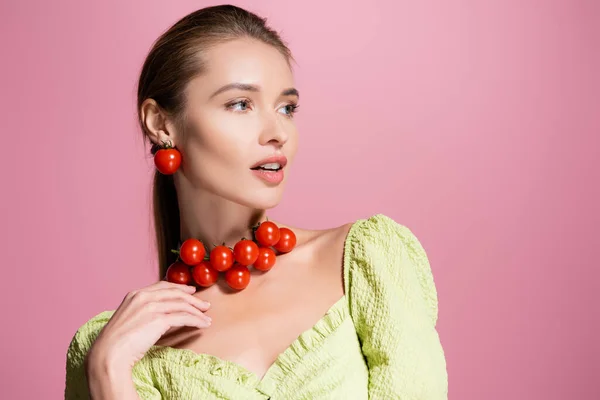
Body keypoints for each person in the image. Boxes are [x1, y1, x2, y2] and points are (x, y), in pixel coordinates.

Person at [64, 4, 448, 399]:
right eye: (240, 104)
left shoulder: (366, 258)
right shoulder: (116, 348)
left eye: (287, 108)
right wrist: (107, 371)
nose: (277, 131)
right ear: (162, 124)